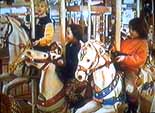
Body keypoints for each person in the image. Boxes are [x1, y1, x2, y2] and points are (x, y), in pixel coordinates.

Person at [114, 17, 149, 113]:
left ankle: (133, 105)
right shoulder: (126, 40)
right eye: (130, 29)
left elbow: (140, 59)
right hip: (118, 66)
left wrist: (125, 58)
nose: (130, 31)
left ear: (139, 30)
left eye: (132, 29)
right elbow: (118, 47)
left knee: (130, 87)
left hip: (131, 69)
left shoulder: (142, 43)